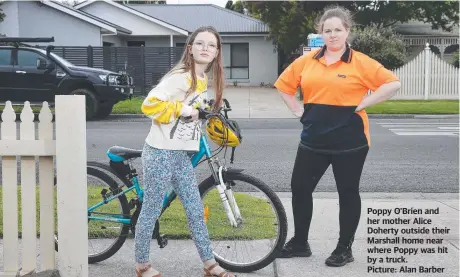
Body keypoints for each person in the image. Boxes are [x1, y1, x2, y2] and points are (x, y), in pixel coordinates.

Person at [274, 6, 401, 267]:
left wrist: (362, 104)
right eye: (327, 30)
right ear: (321, 33)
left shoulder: (361, 62)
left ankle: (344, 248)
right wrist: (298, 110)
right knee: (300, 188)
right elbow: (284, 85)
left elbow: (392, 83)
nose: (332, 35)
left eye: (338, 30)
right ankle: (300, 243)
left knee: (347, 192)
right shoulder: (307, 61)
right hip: (313, 139)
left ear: (347, 32)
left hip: (350, 141)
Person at [135, 26, 235, 277]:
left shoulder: (200, 79)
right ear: (190, 48)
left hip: (180, 154)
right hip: (160, 153)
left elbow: (193, 109)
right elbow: (149, 104)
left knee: (194, 209)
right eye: (200, 44)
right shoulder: (181, 76)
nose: (205, 49)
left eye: (211, 45)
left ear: (216, 53)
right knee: (152, 209)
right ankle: (141, 265)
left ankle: (209, 264)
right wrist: (185, 111)